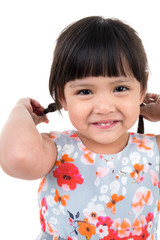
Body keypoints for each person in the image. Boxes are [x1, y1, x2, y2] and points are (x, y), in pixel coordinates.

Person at [0, 16, 160, 240]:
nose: (104, 107)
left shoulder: (153, 150)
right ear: (62, 96)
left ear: (142, 89)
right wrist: (21, 110)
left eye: (120, 88)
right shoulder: (54, 150)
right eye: (85, 91)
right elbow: (16, 157)